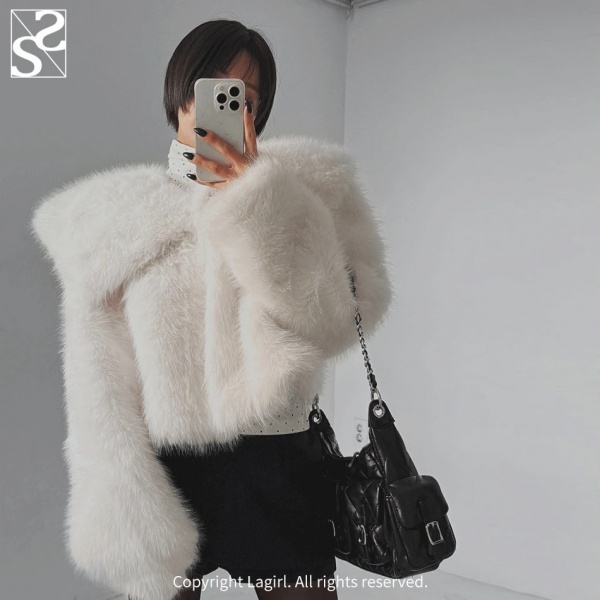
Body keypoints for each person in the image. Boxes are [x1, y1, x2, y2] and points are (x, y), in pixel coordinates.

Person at [29, 18, 394, 600]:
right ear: (180, 92)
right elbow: (96, 372)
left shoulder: (314, 189)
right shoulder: (113, 219)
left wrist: (257, 199)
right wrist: (117, 488)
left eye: (247, 97)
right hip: (170, 469)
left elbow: (339, 319)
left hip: (279, 458)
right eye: (215, 87)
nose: (231, 105)